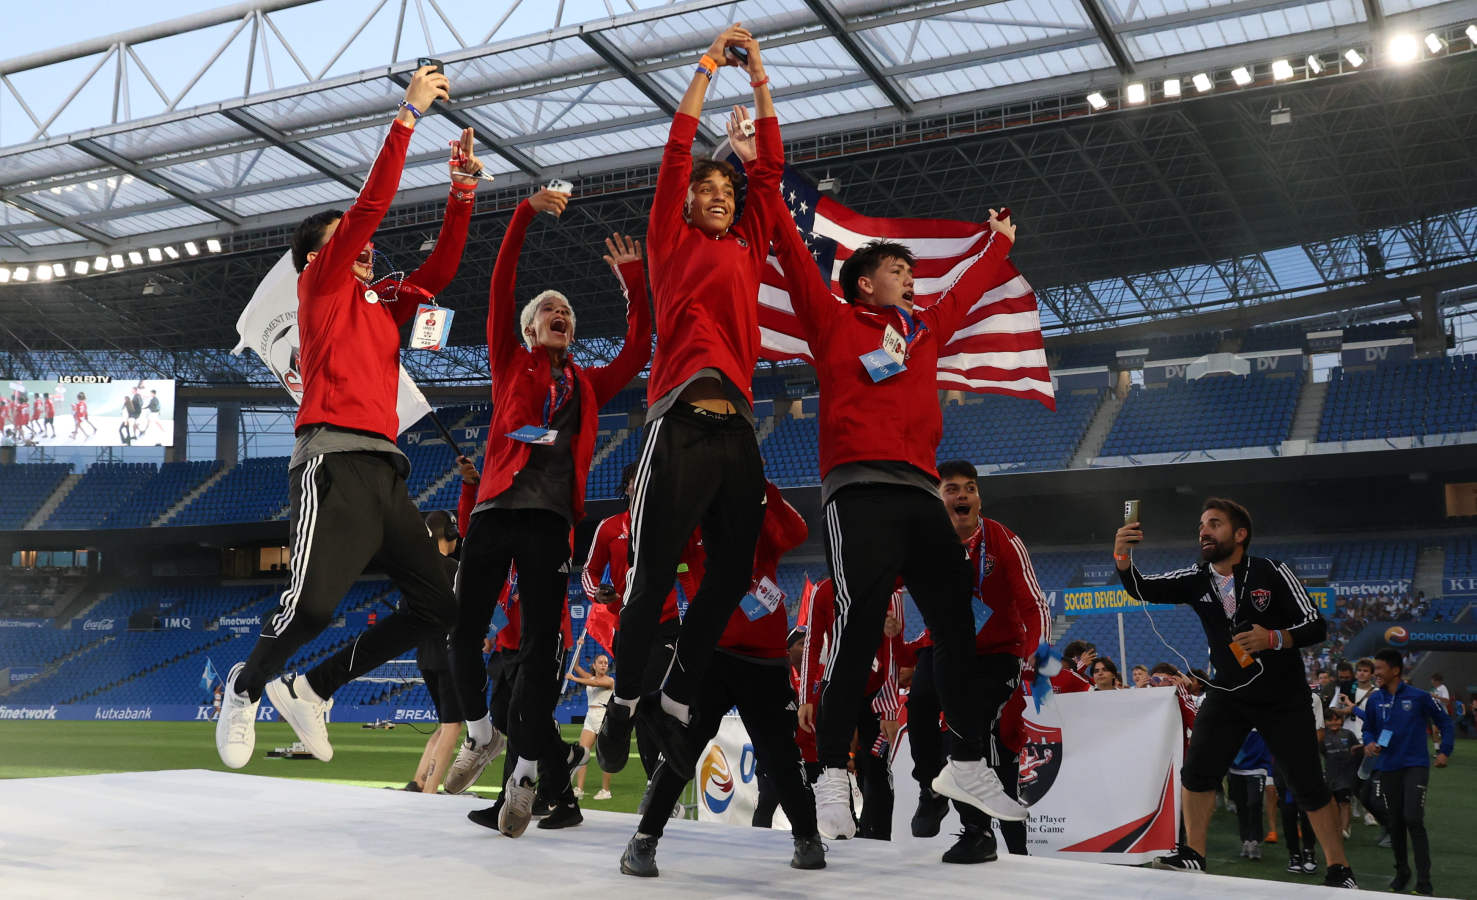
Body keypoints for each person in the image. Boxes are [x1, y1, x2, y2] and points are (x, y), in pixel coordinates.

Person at [746, 100, 1025, 840]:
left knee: (956, 624)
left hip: (917, 490)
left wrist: (995, 246)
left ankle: (964, 758)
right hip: (858, 486)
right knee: (860, 624)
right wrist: (759, 172)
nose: (909, 275)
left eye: (908, 269)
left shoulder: (922, 332)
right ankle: (831, 774)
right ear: (863, 284)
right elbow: (785, 242)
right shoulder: (832, 319)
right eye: (896, 269)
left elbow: (963, 294)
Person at [215, 65, 476, 770]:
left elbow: (440, 274)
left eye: (361, 242)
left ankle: (314, 687)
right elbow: (369, 209)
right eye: (343, 238)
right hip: (332, 460)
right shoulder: (320, 287)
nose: (362, 244)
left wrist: (461, 194)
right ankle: (243, 689)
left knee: (438, 607)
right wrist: (407, 116)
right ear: (315, 258)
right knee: (312, 611)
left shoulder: (378, 303)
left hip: (386, 470)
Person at [596, 23, 785, 784]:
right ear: (684, 205)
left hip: (736, 431)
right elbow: (677, 149)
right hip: (675, 425)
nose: (715, 193)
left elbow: (767, 171)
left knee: (732, 575)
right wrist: (707, 66)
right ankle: (621, 702)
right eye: (703, 190)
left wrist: (761, 74)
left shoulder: (749, 242)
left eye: (724, 190)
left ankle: (673, 695)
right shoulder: (670, 246)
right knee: (648, 581)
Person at [443, 179, 651, 840]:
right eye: (548, 311)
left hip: (549, 522)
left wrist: (633, 281)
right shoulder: (511, 362)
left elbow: (638, 348)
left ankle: (529, 775)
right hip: (496, 509)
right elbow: (501, 285)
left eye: (566, 311)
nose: (560, 313)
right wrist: (522, 215)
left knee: (537, 654)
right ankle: (480, 735)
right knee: (462, 628)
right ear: (531, 329)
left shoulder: (588, 387)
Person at [1115, 497, 1357, 887]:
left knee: (1308, 783)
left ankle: (1339, 869)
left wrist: (1274, 637)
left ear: (1240, 534)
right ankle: (1193, 854)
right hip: (1227, 692)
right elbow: (1140, 589)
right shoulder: (1196, 577)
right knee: (1196, 773)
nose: (1203, 531)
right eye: (1201, 525)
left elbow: (1316, 625)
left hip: (1283, 696)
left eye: (1214, 524)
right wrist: (1122, 554)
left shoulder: (1272, 572)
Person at [620, 481, 824, 877]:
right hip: (709, 656)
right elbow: (651, 555)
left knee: (782, 755)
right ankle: (644, 840)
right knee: (682, 749)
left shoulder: (759, 522)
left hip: (764, 661)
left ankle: (808, 838)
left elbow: (798, 532)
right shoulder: (691, 529)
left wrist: (763, 486)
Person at [906, 459, 1048, 863]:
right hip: (944, 647)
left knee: (965, 731)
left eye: (970, 487)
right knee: (918, 704)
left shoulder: (1003, 540)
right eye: (952, 488)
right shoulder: (925, 542)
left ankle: (978, 833)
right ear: (938, 500)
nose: (963, 494)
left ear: (979, 499)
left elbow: (1034, 603)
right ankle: (930, 792)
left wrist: (1039, 651)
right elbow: (890, 585)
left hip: (996, 655)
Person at [582, 463, 703, 783]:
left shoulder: (672, 526)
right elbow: (589, 572)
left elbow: (685, 570)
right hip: (626, 626)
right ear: (628, 487)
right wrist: (599, 594)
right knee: (637, 701)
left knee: (646, 693)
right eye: (639, 483)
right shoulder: (609, 528)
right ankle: (640, 757)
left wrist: (699, 608)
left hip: (665, 625)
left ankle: (651, 775)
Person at [1343, 648, 1453, 895]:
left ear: (1395, 670)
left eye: (1379, 669)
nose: (1376, 674)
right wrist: (1370, 742)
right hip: (1388, 766)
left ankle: (1424, 882)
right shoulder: (1374, 699)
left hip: (1415, 765)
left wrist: (1445, 750)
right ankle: (1402, 872)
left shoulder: (1419, 697)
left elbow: (1444, 721)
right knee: (1396, 822)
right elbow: (1370, 727)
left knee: (1413, 819)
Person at [403, 496, 472, 795]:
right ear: (451, 533)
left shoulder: (417, 569)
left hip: (425, 656)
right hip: (448, 655)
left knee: (445, 724)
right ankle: (431, 789)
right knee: (454, 726)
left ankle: (418, 781)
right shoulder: (455, 569)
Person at [567, 655, 615, 800]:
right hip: (590, 716)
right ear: (594, 665)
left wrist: (574, 679)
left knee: (606, 755)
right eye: (600, 662)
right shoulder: (590, 677)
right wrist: (578, 646)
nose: (603, 665)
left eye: (606, 663)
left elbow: (593, 683)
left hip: (603, 717)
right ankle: (579, 789)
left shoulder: (609, 680)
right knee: (582, 754)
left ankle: (606, 791)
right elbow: (575, 667)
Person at [1228, 730, 1272, 861]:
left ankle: (1255, 841)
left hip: (1257, 768)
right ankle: (1246, 840)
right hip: (1235, 769)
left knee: (1254, 804)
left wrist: (1269, 770)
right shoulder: (1233, 719)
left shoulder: (1262, 716)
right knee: (1241, 806)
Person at [1320, 706, 1362, 840]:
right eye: (1330, 720)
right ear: (1324, 722)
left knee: (1344, 803)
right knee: (1331, 804)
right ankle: (1334, 827)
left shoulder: (1348, 734)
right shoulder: (1322, 736)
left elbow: (1357, 751)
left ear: (1342, 720)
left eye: (1337, 720)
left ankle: (1344, 829)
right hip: (1330, 776)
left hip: (1346, 775)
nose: (1334, 723)